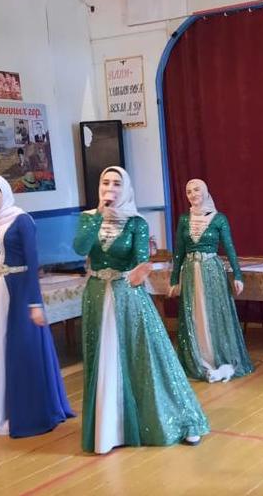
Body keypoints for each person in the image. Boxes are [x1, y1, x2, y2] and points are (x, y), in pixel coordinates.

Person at [73, 166, 209, 454]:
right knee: (103, 358)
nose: (110, 188)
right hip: (96, 295)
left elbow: (140, 259)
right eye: (106, 182)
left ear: (126, 189)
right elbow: (80, 248)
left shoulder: (136, 222)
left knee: (146, 357)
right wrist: (99, 214)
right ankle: (108, 430)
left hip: (128, 296)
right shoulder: (88, 218)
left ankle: (177, 418)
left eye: (116, 184)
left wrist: (141, 269)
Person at [0, 174, 74, 437]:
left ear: (4, 192)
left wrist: (34, 302)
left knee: (21, 349)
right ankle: (0, 411)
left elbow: (32, 263)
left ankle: (26, 412)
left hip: (19, 291)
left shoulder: (22, 220)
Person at [169, 179, 254, 383]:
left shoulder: (219, 219)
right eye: (189, 191)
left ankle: (218, 358)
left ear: (205, 191)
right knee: (194, 312)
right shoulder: (184, 219)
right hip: (190, 272)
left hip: (212, 271)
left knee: (213, 312)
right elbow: (179, 251)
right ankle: (198, 358)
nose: (193, 194)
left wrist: (238, 275)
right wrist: (174, 279)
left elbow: (229, 247)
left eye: (196, 189)